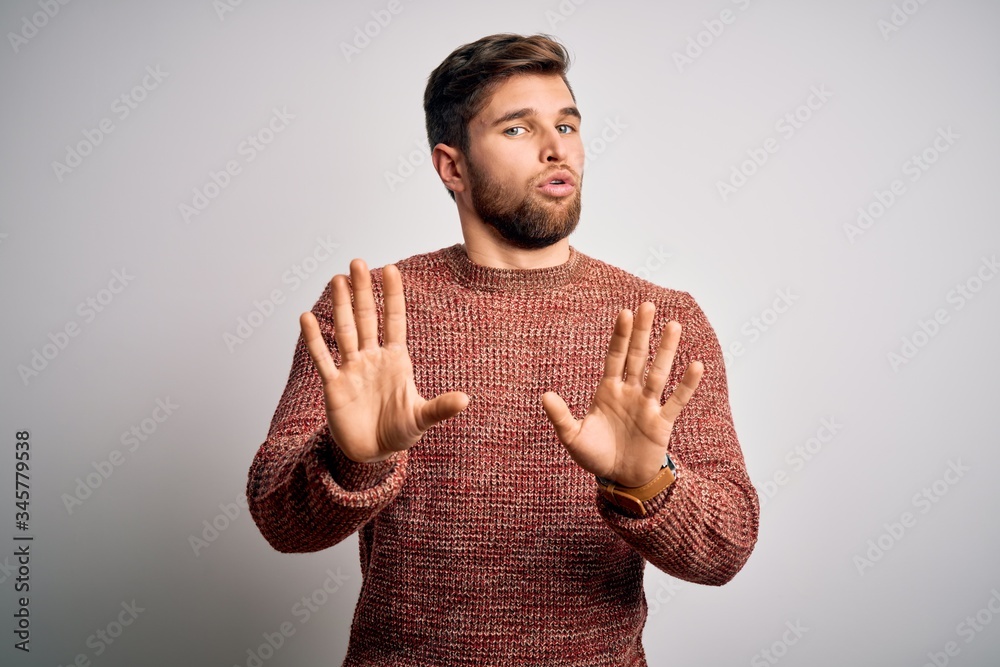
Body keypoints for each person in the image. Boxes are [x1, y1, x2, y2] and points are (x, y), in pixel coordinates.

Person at [247, 32, 759, 666]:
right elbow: (281, 524)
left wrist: (646, 483)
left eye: (567, 126)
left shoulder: (662, 321)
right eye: (517, 130)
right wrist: (351, 461)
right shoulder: (367, 313)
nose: (555, 149)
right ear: (452, 166)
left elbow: (726, 549)